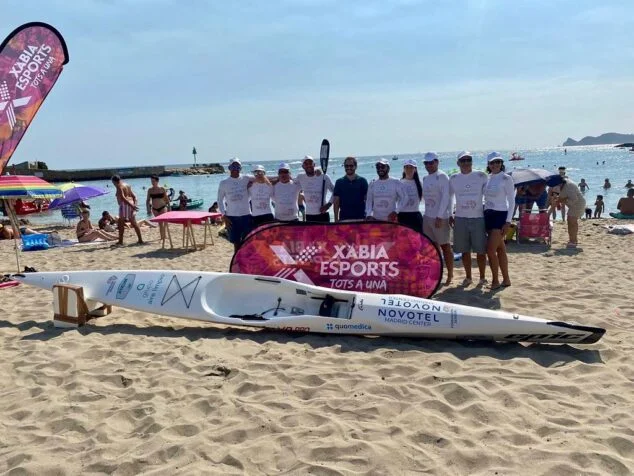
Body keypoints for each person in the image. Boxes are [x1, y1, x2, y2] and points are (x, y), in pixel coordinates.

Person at [449, 151, 488, 286]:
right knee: (464, 250)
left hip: (478, 218)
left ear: (472, 161)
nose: (466, 163)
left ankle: (482, 277)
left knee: (481, 251)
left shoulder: (481, 176)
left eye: (468, 160)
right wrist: (450, 214)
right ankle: (468, 277)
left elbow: (490, 196)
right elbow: (449, 197)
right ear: (458, 163)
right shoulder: (453, 178)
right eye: (463, 160)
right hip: (460, 218)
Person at [484, 152, 515, 289]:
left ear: (501, 163)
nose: (495, 165)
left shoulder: (506, 178)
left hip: (500, 215)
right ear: (488, 165)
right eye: (492, 162)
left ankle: (495, 281)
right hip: (488, 215)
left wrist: (508, 221)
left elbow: (512, 201)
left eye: (498, 162)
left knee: (490, 250)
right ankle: (506, 279)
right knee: (500, 248)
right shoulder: (487, 178)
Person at [422, 152, 454, 285]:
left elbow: (447, 197)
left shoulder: (442, 176)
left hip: (440, 217)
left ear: (437, 162)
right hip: (427, 216)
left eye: (431, 162)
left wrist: (440, 216)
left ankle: (450, 275)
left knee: (445, 246)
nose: (429, 165)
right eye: (426, 163)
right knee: (432, 247)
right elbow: (425, 199)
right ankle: (437, 271)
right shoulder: (425, 178)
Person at [217, 157, 253, 252]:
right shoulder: (224, 183)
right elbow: (220, 200)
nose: (235, 169)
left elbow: (261, 178)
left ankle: (247, 264)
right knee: (236, 244)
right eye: (233, 167)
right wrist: (224, 216)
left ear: (240, 168)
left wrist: (280, 178)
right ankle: (237, 264)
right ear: (229, 168)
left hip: (246, 216)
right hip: (232, 218)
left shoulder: (246, 178)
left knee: (247, 242)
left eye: (237, 167)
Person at [295, 155, 334, 222]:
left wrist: (328, 205)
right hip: (309, 215)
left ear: (314, 164)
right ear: (303, 166)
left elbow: (335, 191)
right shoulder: (300, 177)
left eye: (310, 163)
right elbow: (288, 182)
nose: (308, 165)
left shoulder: (324, 177)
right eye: (306, 164)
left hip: (323, 214)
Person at [333, 156, 368, 222]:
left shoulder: (362, 181)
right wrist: (336, 219)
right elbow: (336, 202)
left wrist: (368, 216)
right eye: (346, 166)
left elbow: (367, 200)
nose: (349, 168)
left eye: (351, 166)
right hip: (344, 219)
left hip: (361, 219)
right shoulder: (339, 182)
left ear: (355, 166)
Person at [111, 175, 144, 245]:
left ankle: (120, 241)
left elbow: (123, 198)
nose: (113, 184)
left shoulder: (119, 186)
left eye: (113, 183)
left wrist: (132, 206)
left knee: (121, 223)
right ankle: (140, 239)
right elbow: (134, 196)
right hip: (130, 203)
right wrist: (134, 205)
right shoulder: (127, 185)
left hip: (125, 205)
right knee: (134, 223)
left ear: (114, 182)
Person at [557, 178, 586, 248]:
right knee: (571, 222)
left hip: (578, 204)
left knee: (571, 222)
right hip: (574, 204)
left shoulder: (568, 186)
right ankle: (573, 240)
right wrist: (560, 201)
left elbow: (574, 200)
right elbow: (561, 198)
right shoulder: (563, 186)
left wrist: (563, 200)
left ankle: (573, 241)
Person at [397, 158, 423, 233]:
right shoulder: (399, 183)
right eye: (407, 167)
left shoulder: (420, 183)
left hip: (416, 216)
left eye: (411, 167)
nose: (409, 169)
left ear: (415, 169)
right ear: (404, 169)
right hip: (402, 216)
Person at [146, 175, 169, 240]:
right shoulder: (150, 190)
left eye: (153, 181)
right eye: (151, 181)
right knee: (160, 223)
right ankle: (162, 237)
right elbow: (148, 200)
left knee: (164, 221)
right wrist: (148, 209)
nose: (152, 182)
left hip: (163, 207)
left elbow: (166, 199)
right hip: (155, 209)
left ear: (157, 181)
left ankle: (164, 235)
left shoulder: (162, 189)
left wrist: (169, 207)